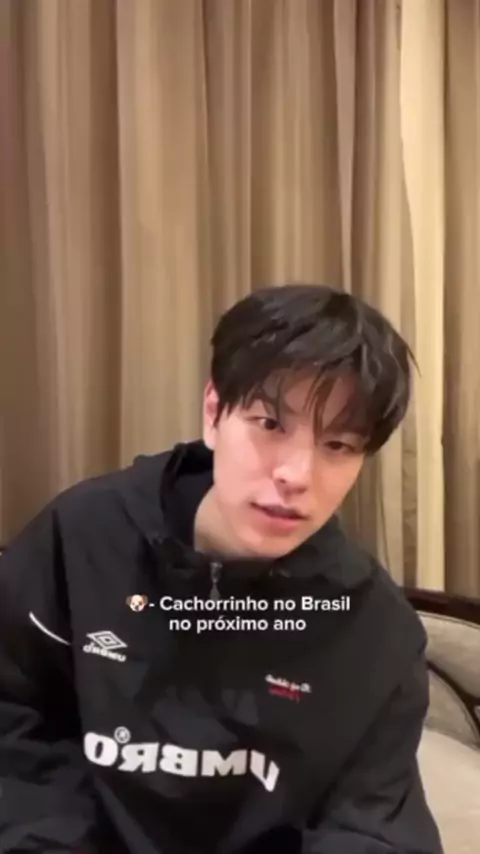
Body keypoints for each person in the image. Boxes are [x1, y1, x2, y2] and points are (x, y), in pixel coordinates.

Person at [0, 284, 443, 854]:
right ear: (214, 412)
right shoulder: (83, 537)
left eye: (338, 445)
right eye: (270, 424)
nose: (296, 475)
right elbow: (17, 720)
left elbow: (371, 826)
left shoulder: (375, 632)